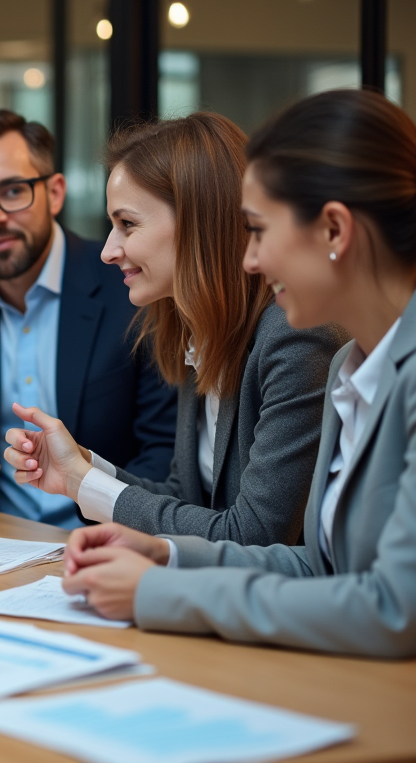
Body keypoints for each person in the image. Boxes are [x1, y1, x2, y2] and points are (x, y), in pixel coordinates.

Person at [58, 89, 416, 658]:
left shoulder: (315, 347)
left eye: (259, 231)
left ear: (334, 231)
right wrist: (168, 553)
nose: (249, 258)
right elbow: (319, 565)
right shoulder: (351, 368)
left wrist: (160, 590)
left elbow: (392, 609)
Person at [3, 113, 346, 545]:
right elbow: (186, 499)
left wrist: (84, 484)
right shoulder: (197, 328)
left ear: (197, 222)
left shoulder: (295, 336)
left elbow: (252, 535)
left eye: (127, 224)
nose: (108, 250)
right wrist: (83, 469)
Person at [0, 109, 177, 529]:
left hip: (105, 536)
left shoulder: (133, 287)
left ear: (55, 192)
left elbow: (164, 451)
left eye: (12, 191)